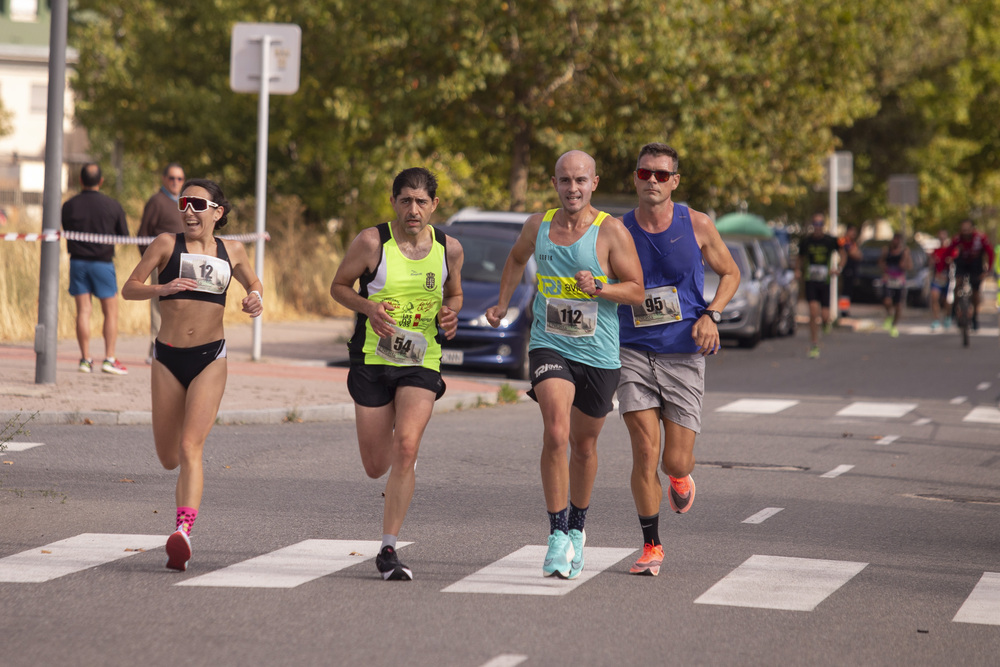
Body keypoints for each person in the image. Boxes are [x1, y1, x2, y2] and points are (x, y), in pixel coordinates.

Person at [486, 150, 644, 579]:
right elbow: (517, 259)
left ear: (594, 183)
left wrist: (602, 287)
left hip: (599, 353)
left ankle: (577, 525)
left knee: (584, 445)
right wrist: (502, 304)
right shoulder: (537, 225)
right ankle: (556, 533)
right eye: (564, 180)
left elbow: (637, 291)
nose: (572, 188)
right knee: (556, 431)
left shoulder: (610, 231)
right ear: (553, 183)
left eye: (580, 180)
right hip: (549, 344)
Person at [122, 178, 263, 571]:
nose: (188, 210)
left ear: (217, 212)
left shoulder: (231, 249)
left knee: (190, 447)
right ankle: (181, 530)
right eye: (184, 202)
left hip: (210, 358)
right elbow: (129, 288)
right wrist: (161, 289)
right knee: (168, 458)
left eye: (198, 204)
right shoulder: (166, 244)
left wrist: (255, 297)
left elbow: (254, 282)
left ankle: (183, 533)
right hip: (167, 357)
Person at [330, 167, 464, 581]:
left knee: (406, 446)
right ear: (393, 202)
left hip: (421, 359)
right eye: (405, 200)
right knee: (375, 466)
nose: (413, 209)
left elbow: (454, 293)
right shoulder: (372, 242)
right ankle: (401, 463)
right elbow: (339, 286)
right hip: (372, 357)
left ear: (434, 206)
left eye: (422, 202)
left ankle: (388, 546)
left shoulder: (449, 248)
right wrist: (369, 308)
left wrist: (451, 312)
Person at [617, 143, 740, 577]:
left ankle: (680, 476)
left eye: (662, 175)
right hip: (632, 349)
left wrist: (712, 315)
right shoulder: (616, 229)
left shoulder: (697, 224)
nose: (653, 181)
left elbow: (731, 273)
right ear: (635, 177)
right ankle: (651, 545)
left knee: (674, 461)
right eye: (645, 173)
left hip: (685, 351)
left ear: (675, 181)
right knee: (644, 449)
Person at [60, 163, 131, 376]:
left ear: (81, 180)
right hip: (103, 264)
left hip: (78, 263)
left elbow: (65, 229)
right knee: (110, 312)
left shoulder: (69, 205)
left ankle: (85, 359)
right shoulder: (113, 205)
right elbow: (124, 236)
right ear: (101, 181)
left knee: (83, 311)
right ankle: (109, 358)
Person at [137, 163, 186, 362]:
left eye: (179, 179)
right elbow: (142, 234)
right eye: (172, 178)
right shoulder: (157, 201)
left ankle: (177, 347)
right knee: (160, 306)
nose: (175, 182)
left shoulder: (184, 202)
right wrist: (151, 262)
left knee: (182, 305)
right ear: (164, 179)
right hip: (163, 264)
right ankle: (155, 349)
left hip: (184, 263)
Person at [796, 214, 842, 358]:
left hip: (825, 282)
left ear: (823, 225)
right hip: (811, 281)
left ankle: (826, 324)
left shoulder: (830, 241)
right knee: (813, 312)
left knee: (825, 316)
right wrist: (797, 270)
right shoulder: (806, 241)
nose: (817, 226)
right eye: (815, 223)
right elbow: (800, 258)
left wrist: (838, 268)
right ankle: (814, 342)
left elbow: (844, 253)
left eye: (820, 223)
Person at [949, 219, 995, 331]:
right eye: (963, 229)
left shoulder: (981, 238)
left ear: (972, 229)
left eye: (967, 229)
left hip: (976, 265)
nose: (965, 232)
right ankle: (954, 311)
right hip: (962, 264)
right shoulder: (957, 239)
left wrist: (988, 270)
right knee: (957, 285)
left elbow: (990, 253)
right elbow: (948, 251)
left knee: (975, 293)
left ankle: (974, 317)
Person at [879, 232, 912, 338]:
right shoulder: (886, 251)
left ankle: (894, 325)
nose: (896, 242)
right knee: (887, 301)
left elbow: (909, 266)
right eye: (895, 239)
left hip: (899, 281)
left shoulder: (904, 252)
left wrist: (906, 258)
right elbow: (880, 262)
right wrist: (884, 269)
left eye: (898, 240)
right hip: (888, 279)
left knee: (898, 305)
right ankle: (889, 315)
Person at [929, 228, 952, 330]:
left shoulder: (951, 250)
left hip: (948, 278)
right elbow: (931, 264)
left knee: (947, 300)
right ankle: (936, 319)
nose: (942, 238)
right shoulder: (935, 251)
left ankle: (947, 317)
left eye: (944, 236)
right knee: (934, 297)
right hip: (938, 278)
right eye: (940, 236)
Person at [837, 225, 862, 317]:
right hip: (847, 269)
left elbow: (859, 254)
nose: (854, 234)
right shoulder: (844, 241)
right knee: (845, 290)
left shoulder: (853, 242)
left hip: (852, 269)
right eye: (852, 231)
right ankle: (843, 310)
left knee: (849, 291)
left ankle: (845, 309)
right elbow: (854, 253)